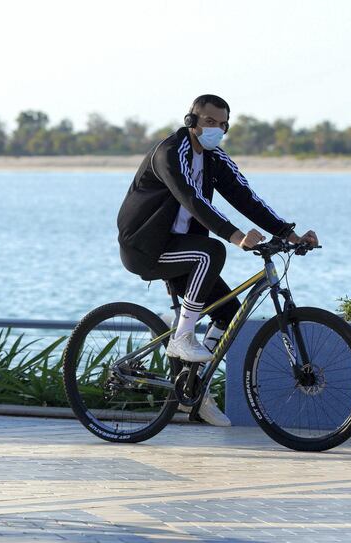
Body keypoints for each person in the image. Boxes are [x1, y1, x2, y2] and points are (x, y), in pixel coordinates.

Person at [116, 94, 318, 425]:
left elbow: (246, 197)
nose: (217, 130)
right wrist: (235, 235)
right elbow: (191, 198)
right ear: (191, 121)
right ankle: (181, 337)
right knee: (213, 251)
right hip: (145, 246)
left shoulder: (214, 158)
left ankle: (195, 392)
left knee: (228, 315)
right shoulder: (170, 152)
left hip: (184, 250)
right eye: (210, 122)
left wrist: (288, 234)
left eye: (223, 124)